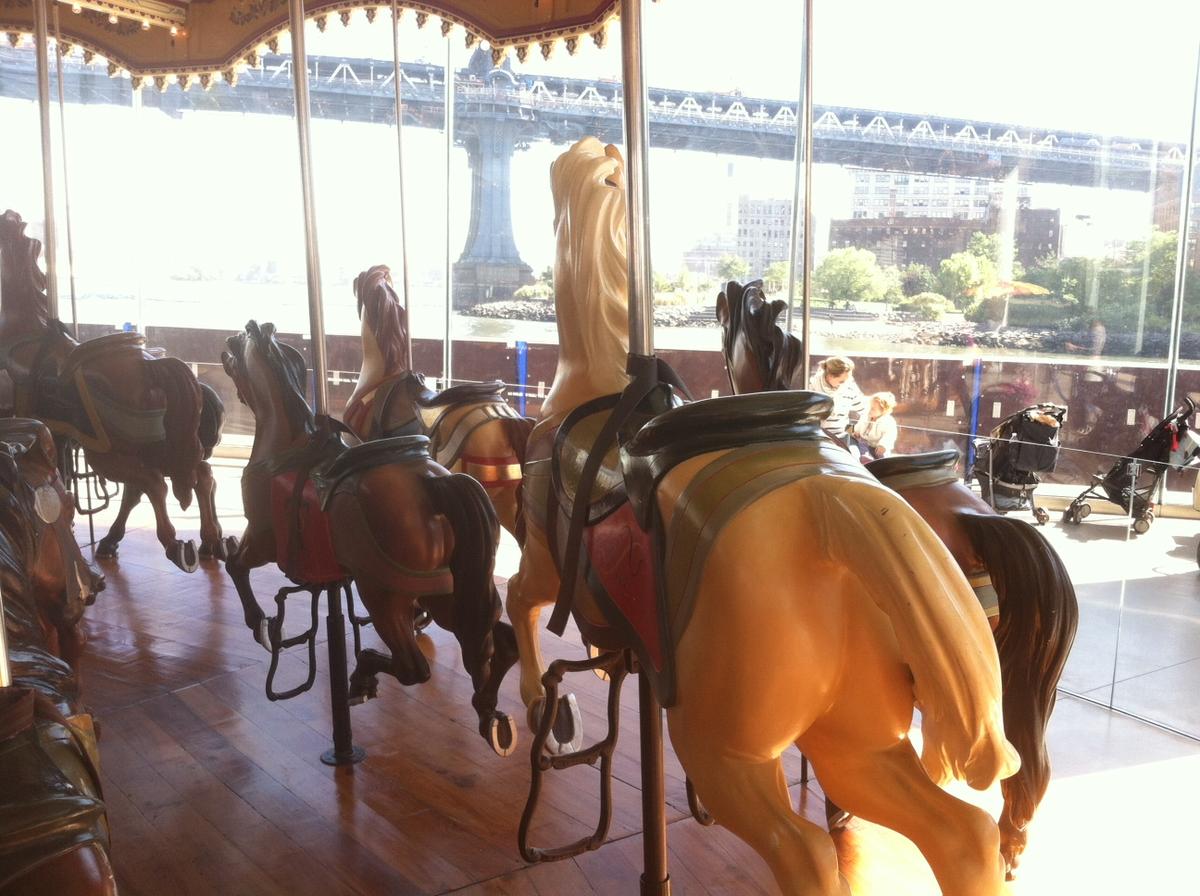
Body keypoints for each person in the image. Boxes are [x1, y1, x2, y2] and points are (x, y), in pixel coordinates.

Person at [808, 356, 866, 446]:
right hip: (819, 437)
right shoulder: (811, 387)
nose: (845, 383)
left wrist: (854, 430)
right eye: (842, 381)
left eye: (848, 379)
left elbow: (864, 410)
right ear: (830, 376)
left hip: (843, 435)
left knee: (854, 456)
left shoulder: (849, 386)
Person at [853, 391, 899, 460]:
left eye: (873, 409)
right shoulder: (866, 416)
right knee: (860, 447)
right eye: (870, 407)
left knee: (882, 455)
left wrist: (883, 445)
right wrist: (855, 431)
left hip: (878, 446)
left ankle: (880, 462)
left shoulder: (888, 421)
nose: (869, 410)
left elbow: (889, 435)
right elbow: (859, 425)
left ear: (883, 410)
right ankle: (865, 459)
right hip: (865, 443)